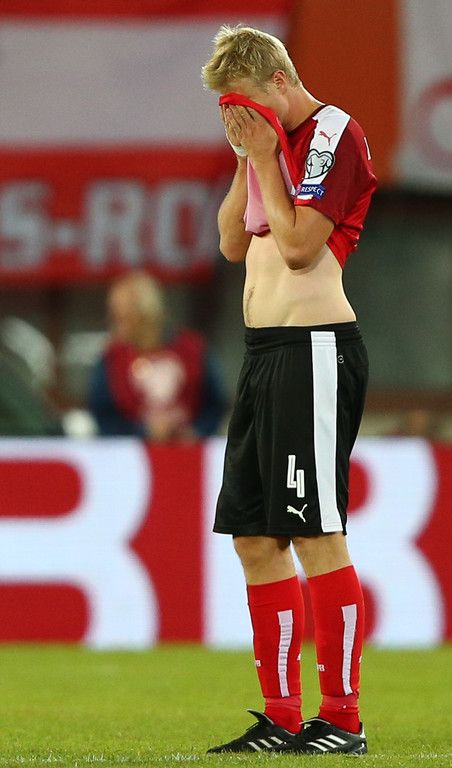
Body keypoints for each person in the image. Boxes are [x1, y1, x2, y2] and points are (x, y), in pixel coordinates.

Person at [201, 25, 376, 755]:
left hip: (314, 350)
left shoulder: (332, 131)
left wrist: (268, 155)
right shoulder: (264, 148)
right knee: (255, 537)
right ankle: (280, 715)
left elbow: (301, 249)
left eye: (244, 103)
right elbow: (231, 243)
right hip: (264, 353)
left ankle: (342, 718)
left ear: (277, 80)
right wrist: (249, 156)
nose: (240, 119)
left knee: (313, 530)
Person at [88, 271, 226, 440]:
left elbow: (215, 404)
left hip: (189, 450)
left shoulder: (193, 350)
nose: (116, 322)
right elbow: (103, 415)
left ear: (146, 313)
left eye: (124, 315)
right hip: (131, 453)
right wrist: (143, 432)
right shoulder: (112, 358)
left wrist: (197, 431)